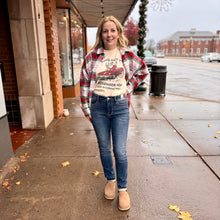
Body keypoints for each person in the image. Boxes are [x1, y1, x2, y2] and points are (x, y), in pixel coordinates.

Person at [80, 15, 148, 211]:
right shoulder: (92, 56)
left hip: (119, 107)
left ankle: (123, 189)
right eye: (105, 30)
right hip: (98, 107)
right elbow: (84, 83)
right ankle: (110, 179)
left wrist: (129, 87)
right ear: (100, 34)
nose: (109, 34)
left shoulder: (126, 54)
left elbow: (142, 70)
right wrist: (86, 108)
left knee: (120, 150)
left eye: (112, 30)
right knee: (104, 148)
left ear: (118, 33)